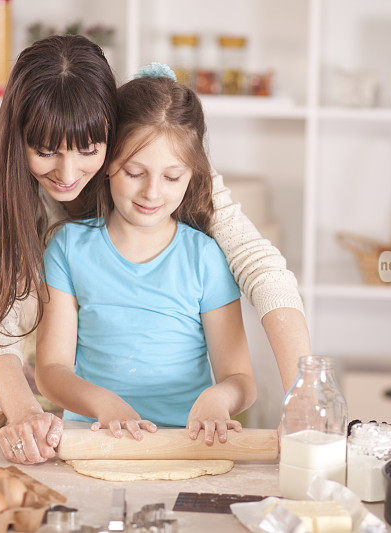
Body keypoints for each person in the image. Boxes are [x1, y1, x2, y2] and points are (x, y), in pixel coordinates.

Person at [0, 35, 310, 465]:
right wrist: (24, 410)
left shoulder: (166, 158)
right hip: (70, 403)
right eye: (47, 151)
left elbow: (262, 268)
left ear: (110, 132)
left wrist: (304, 396)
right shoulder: (15, 197)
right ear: (19, 141)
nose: (68, 174)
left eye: (88, 150)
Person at [36, 68, 257, 444]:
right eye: (135, 172)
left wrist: (219, 397)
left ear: (193, 174)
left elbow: (242, 380)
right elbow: (51, 370)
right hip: (94, 438)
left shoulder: (204, 256)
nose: (152, 193)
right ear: (106, 164)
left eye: (172, 177)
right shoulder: (69, 248)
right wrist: (104, 404)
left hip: (185, 442)